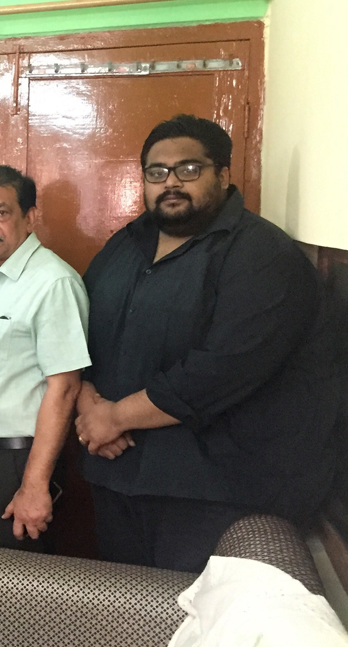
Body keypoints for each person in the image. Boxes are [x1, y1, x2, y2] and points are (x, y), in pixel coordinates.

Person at [76, 115, 338, 572]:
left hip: (212, 495)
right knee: (125, 608)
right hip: (117, 473)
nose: (171, 182)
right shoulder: (126, 243)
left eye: (189, 169)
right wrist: (86, 401)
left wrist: (114, 417)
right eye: (157, 172)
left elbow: (219, 370)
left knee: (188, 614)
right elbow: (76, 330)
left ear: (223, 174)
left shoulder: (262, 254)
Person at [0, 165, 90, 554]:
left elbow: (65, 388)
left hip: (15, 462)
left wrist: (34, 484)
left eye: (1, 212)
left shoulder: (52, 282)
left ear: (30, 217)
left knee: (9, 583)